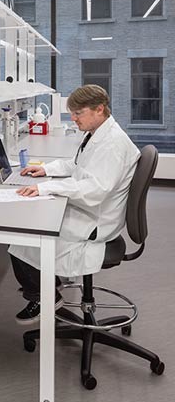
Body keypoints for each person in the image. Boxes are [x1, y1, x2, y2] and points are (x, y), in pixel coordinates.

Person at [9, 84, 140, 325]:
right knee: (34, 220)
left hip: (97, 220)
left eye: (78, 113)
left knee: (25, 236)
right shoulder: (97, 133)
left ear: (99, 109)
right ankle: (47, 285)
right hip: (93, 210)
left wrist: (46, 188)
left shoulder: (112, 144)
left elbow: (95, 190)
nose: (73, 118)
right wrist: (46, 170)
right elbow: (76, 165)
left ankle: (44, 297)